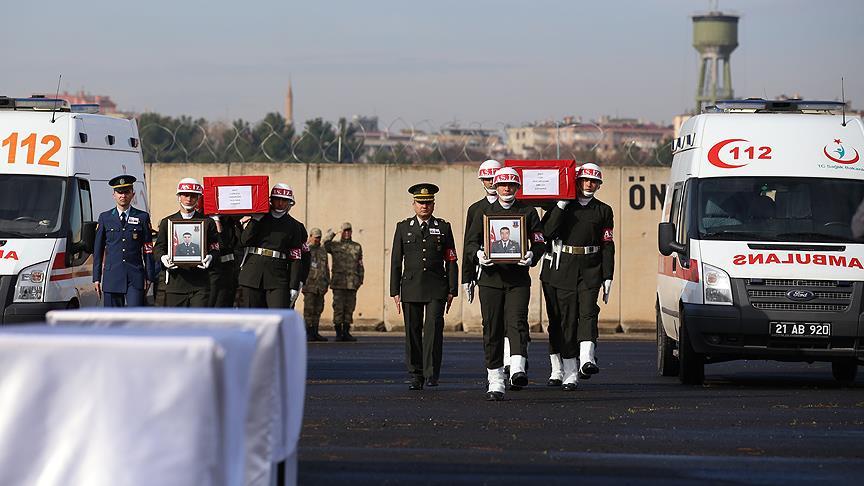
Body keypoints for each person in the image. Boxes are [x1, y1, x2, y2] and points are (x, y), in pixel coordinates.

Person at [464, 167, 545, 401]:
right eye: (502, 185)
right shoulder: (482, 211)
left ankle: (518, 366)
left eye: (511, 185)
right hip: (490, 280)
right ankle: (495, 378)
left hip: (518, 279)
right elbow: (470, 243)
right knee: (492, 328)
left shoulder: (528, 212)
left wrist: (532, 255)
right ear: (495, 187)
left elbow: (539, 240)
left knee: (517, 322)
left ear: (518, 188)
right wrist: (479, 255)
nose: (506, 189)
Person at [541, 163, 614, 390]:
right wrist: (561, 206)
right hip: (564, 266)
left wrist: (608, 274)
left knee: (589, 312)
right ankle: (563, 369)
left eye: (594, 181)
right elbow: (546, 233)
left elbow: (607, 243)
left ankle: (587, 359)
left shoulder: (604, 210)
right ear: (577, 181)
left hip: (591, 267)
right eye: (585, 180)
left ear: (599, 184)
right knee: (565, 321)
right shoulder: (563, 206)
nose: (589, 185)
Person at [390, 183, 459, 390]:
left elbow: (452, 259)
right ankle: (415, 374)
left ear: (433, 204)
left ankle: (431, 373)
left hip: (437, 287)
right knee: (412, 332)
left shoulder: (444, 227)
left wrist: (452, 289)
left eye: (428, 203)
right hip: (411, 287)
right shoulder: (403, 227)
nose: (424, 206)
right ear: (413, 204)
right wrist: (394, 291)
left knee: (434, 330)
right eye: (420, 203)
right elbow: (396, 260)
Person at [237, 184, 308, 309]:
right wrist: (255, 220)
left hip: (277, 277)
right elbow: (244, 241)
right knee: (251, 317)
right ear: (271, 200)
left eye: (284, 200)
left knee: (277, 317)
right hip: (252, 273)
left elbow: (296, 258)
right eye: (277, 199)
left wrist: (294, 285)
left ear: (290, 203)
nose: (280, 203)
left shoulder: (295, 226)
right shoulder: (258, 219)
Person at [92, 175, 156, 307]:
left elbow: (148, 249)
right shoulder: (105, 218)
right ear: (113, 195)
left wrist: (149, 276)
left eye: (126, 192)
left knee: (135, 319)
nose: (123, 196)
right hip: (112, 276)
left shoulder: (142, 217)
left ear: (132, 194)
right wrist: (96, 278)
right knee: (112, 321)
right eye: (119, 192)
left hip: (135, 276)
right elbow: (97, 251)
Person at [153, 178, 218, 307]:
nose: (189, 199)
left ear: (198, 198)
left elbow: (215, 248)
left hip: (200, 283)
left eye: (193, 196)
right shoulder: (167, 222)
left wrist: (211, 257)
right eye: (185, 195)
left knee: (198, 323)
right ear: (179, 197)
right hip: (176, 283)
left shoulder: (208, 222)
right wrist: (163, 258)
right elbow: (158, 248)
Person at [462, 159, 501, 302]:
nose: (491, 182)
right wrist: (467, 276)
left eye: (494, 178)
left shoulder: (516, 207)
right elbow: (469, 242)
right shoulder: (475, 209)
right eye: (487, 179)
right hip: (486, 269)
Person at [325, 222, 364, 342]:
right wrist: (332, 233)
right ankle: (338, 333)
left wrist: (360, 280)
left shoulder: (357, 246)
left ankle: (346, 332)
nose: (347, 233)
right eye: (345, 231)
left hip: (352, 283)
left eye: (349, 231)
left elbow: (360, 264)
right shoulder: (335, 246)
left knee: (349, 308)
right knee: (338, 308)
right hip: (339, 282)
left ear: (351, 232)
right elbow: (325, 244)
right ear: (342, 232)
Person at [208, 214, 241, 307]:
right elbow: (221, 244)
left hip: (230, 271)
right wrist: (216, 220)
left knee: (226, 304)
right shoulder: (208, 221)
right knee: (215, 305)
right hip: (214, 272)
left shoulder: (231, 221)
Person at [303, 227, 330, 341]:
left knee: (318, 310)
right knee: (309, 310)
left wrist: (327, 282)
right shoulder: (306, 251)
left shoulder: (322, 251)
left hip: (320, 286)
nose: (317, 240)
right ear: (310, 237)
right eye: (315, 237)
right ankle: (307, 333)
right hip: (309, 286)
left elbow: (326, 268)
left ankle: (315, 332)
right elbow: (302, 268)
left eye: (319, 238)